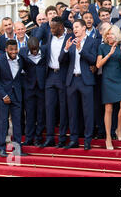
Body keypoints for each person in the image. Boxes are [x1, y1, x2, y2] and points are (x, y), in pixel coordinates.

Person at [60, 19, 98, 150]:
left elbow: (93, 59)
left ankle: (88, 139)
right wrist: (65, 49)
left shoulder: (92, 41)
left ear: (83, 28)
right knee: (72, 112)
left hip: (85, 80)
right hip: (72, 80)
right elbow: (61, 61)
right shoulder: (71, 41)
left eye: (76, 27)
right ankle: (73, 139)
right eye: (73, 27)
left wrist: (81, 49)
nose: (74, 29)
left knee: (88, 111)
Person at [0, 39, 27, 158]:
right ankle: (2, 148)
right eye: (11, 49)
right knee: (3, 122)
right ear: (6, 49)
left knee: (17, 123)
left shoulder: (20, 60)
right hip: (3, 96)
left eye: (15, 49)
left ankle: (17, 149)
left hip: (16, 95)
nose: (14, 51)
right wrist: (4, 95)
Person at [96, 25, 121, 150]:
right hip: (107, 79)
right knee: (108, 108)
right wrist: (109, 54)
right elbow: (98, 64)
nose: (109, 36)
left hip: (120, 78)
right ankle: (108, 137)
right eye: (108, 34)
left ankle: (118, 129)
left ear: (117, 35)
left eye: (112, 34)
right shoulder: (102, 47)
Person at [42, 17, 72, 148]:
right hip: (50, 76)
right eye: (50, 27)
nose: (51, 29)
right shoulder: (49, 36)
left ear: (60, 26)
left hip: (63, 75)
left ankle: (62, 137)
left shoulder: (69, 37)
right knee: (49, 108)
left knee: (63, 108)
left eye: (53, 27)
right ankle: (49, 138)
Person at [18, 37, 47, 147]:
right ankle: (29, 138)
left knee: (40, 114)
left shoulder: (45, 50)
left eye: (36, 49)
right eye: (32, 50)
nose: (34, 52)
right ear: (28, 47)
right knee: (29, 114)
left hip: (41, 87)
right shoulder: (22, 52)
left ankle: (38, 138)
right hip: (29, 88)